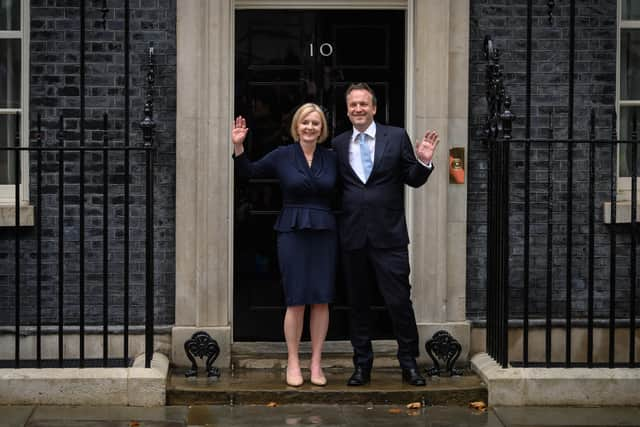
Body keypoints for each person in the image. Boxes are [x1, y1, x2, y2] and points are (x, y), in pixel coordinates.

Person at [331, 83, 440, 387]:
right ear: (347, 109)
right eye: (353, 105)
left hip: (390, 238)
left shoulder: (396, 136)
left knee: (399, 303)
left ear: (374, 108)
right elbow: (333, 187)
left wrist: (423, 161)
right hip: (353, 238)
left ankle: (409, 364)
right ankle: (362, 366)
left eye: (363, 104)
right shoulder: (339, 144)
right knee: (358, 305)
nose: (358, 109)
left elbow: (413, 180)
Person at [232, 103, 337, 387]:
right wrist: (239, 147)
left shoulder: (332, 158)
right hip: (292, 231)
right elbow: (248, 173)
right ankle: (293, 361)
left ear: (322, 128)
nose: (310, 128)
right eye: (305, 122)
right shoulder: (283, 155)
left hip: (324, 231)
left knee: (321, 299)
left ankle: (316, 363)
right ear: (296, 126)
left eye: (315, 123)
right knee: (296, 299)